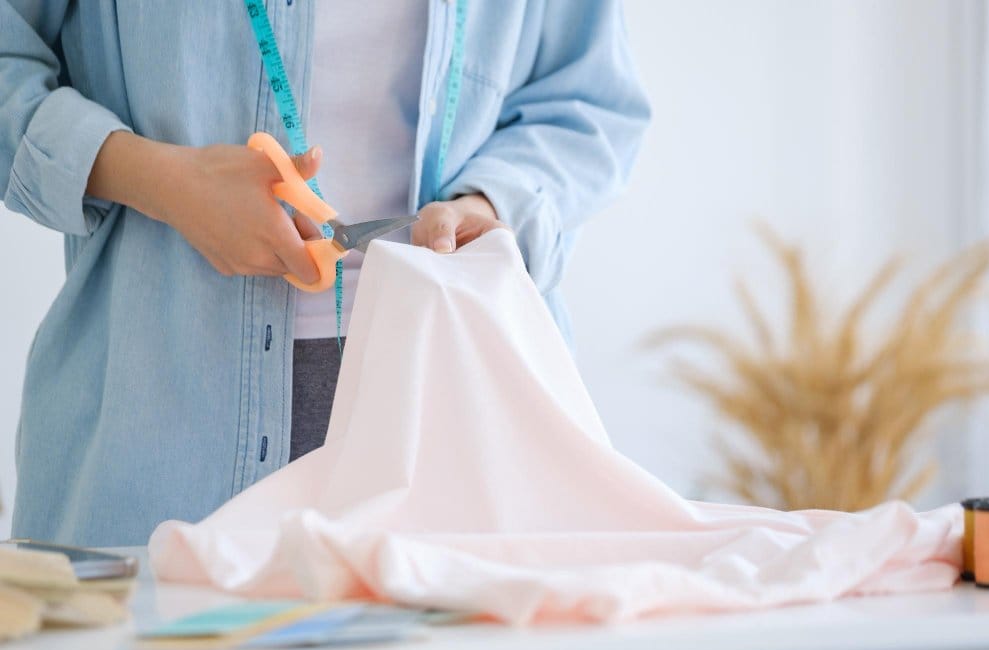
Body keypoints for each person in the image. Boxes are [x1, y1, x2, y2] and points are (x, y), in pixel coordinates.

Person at [1, 0, 649, 546]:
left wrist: (493, 202)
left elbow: (589, 106)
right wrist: (164, 181)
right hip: (152, 433)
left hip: (462, 417)